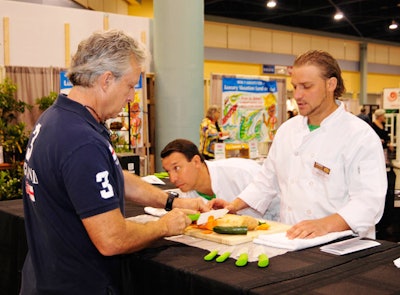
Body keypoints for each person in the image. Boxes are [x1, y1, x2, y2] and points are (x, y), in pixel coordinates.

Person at [21, 30, 207, 294]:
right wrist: (164, 226)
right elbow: (112, 239)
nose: (132, 96)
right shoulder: (81, 141)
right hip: (77, 284)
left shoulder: (55, 119)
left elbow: (112, 176)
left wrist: (171, 202)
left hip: (45, 277)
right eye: (130, 86)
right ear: (107, 80)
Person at [210, 50, 387, 240]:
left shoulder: (359, 135)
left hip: (343, 245)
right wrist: (233, 206)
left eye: (306, 86)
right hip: (291, 239)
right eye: (295, 87)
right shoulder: (288, 130)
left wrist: (324, 224)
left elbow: (369, 201)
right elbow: (267, 180)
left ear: (331, 84)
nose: (298, 95)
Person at [160, 138, 280, 221]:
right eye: (168, 171)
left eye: (177, 168)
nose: (172, 179)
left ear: (196, 161)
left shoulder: (242, 172)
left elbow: (281, 207)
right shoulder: (186, 196)